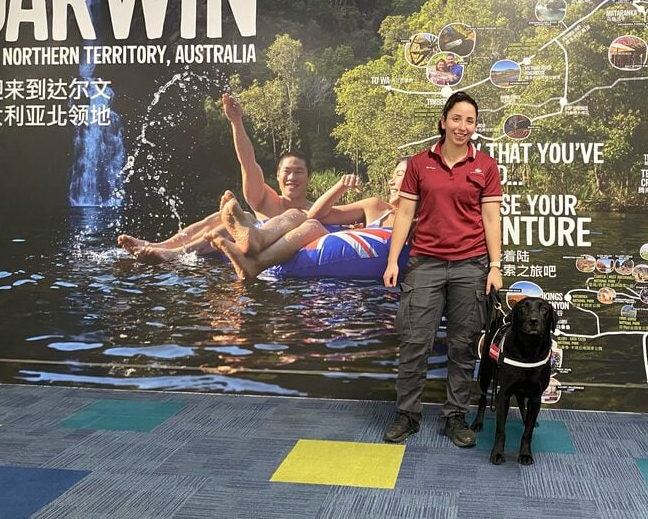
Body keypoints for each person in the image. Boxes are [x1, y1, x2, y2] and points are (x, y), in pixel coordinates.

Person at [381, 91, 503, 448]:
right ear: (443, 121)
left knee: (463, 346)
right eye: (457, 119)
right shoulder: (420, 164)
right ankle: (407, 414)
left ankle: (455, 416)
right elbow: (404, 214)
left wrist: (495, 266)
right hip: (425, 265)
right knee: (414, 342)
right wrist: (393, 260)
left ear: (475, 127)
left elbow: (492, 217)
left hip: (471, 266)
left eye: (470, 121)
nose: (462, 127)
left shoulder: (486, 167)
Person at [117, 92, 314, 262]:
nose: (291, 177)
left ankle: (175, 254)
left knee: (244, 217)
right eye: (287, 171)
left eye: (299, 172)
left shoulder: (315, 210)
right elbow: (248, 162)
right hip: (239, 245)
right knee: (221, 216)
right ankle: (159, 245)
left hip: (265, 248)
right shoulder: (265, 200)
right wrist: (236, 122)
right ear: (277, 176)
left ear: (309, 177)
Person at [205, 159, 411, 280]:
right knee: (301, 216)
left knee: (310, 224)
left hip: (345, 248)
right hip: (330, 235)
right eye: (393, 175)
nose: (391, 182)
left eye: (400, 175)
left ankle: (255, 262)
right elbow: (317, 214)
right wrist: (340, 186)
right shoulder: (375, 207)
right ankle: (255, 239)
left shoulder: (423, 221)